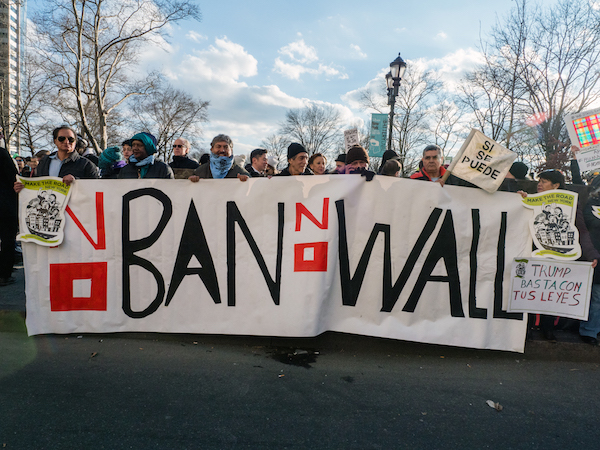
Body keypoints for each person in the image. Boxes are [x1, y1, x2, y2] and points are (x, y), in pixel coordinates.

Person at [518, 170, 599, 342]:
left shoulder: (571, 205)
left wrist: (590, 253)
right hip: (532, 253)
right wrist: (518, 200)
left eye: (545, 181)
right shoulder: (530, 200)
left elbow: (581, 230)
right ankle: (526, 328)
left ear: (556, 186)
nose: (539, 184)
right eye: (539, 180)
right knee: (530, 290)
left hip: (557, 256)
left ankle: (547, 329)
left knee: (550, 292)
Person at [14, 125, 99, 193]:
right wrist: (23, 188)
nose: (66, 142)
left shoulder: (86, 164)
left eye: (71, 139)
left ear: (75, 142)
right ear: (55, 141)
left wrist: (76, 181)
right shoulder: (44, 162)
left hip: (74, 212)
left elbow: (96, 188)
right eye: (61, 139)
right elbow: (37, 184)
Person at [0, 147, 18, 286]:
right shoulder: (2, 153)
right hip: (5, 203)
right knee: (8, 239)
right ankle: (4, 274)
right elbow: (14, 177)